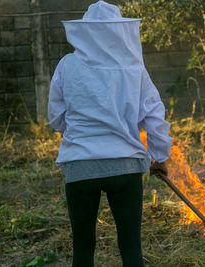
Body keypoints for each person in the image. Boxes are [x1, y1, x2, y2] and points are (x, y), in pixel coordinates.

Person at [47, 1, 172, 266]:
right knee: (130, 248)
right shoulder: (134, 68)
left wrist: (83, 130)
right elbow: (153, 115)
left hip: (80, 166)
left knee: (82, 249)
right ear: (119, 32)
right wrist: (160, 158)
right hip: (125, 168)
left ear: (85, 32)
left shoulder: (66, 65)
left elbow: (56, 120)